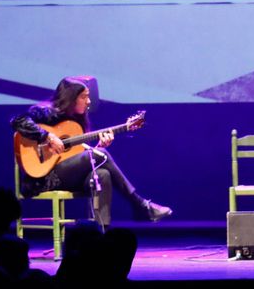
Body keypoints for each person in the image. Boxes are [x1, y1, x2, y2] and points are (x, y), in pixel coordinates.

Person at [11, 76, 172, 228]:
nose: (88, 101)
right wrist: (48, 137)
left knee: (102, 173)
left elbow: (76, 156)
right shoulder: (45, 112)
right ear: (70, 98)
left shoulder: (76, 121)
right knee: (99, 155)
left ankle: (101, 233)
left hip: (68, 176)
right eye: (84, 97)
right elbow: (18, 121)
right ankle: (140, 205)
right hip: (43, 178)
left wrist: (99, 146)